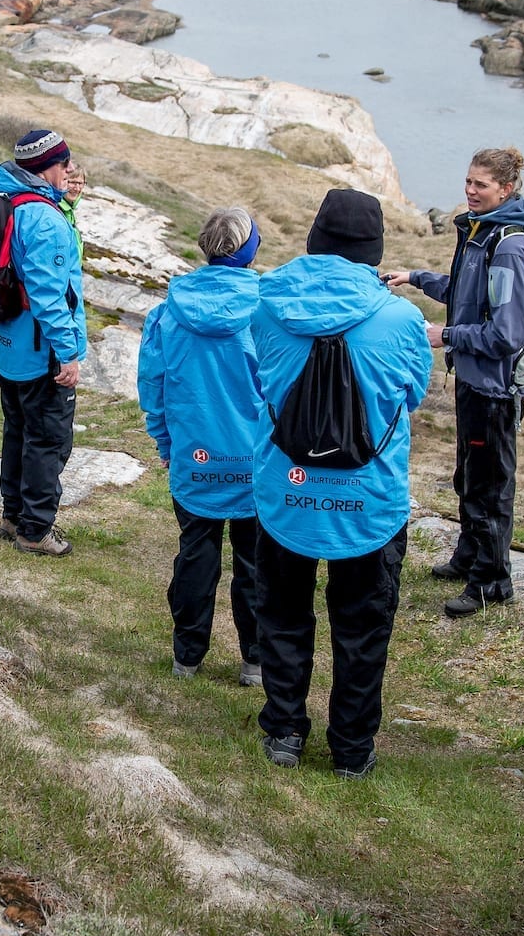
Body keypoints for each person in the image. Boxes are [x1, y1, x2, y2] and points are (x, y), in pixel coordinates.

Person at [250, 189, 435, 779]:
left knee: (281, 616)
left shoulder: (266, 303)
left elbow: (261, 381)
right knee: (362, 628)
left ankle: (284, 730)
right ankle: (352, 750)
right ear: (372, 251)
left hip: (287, 492)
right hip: (370, 499)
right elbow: (412, 396)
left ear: (314, 241)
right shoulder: (402, 318)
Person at [383, 146, 524, 618]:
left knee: (490, 485)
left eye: (481, 185)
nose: (470, 191)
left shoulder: (509, 247)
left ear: (506, 189)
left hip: (494, 387)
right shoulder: (479, 235)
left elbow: (506, 334)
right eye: (468, 181)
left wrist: (444, 335)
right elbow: (460, 290)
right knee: (469, 476)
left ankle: (492, 582)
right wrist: (414, 278)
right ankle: (469, 557)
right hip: (473, 381)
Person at [139, 207, 268, 686]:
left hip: (193, 455)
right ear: (250, 250)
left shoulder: (167, 311)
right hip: (257, 460)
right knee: (255, 562)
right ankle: (255, 660)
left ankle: (187, 656)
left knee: (196, 552)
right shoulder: (265, 310)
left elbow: (153, 384)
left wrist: (164, 441)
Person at [0, 129, 87, 557]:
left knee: (18, 430)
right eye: (65, 165)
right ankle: (35, 530)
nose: (70, 172)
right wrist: (69, 353)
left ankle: (13, 515)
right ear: (48, 167)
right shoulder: (44, 218)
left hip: (8, 343)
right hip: (42, 350)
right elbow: (49, 296)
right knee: (48, 440)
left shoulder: (3, 197)